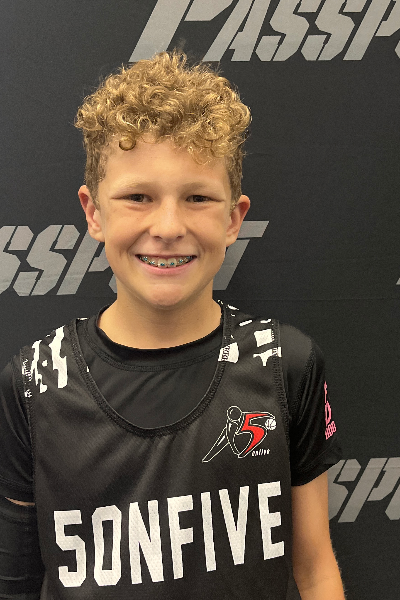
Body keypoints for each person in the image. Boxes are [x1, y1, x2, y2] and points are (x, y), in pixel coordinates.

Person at [0, 50, 345, 599]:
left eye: (198, 198)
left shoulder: (285, 365)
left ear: (233, 218)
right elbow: (15, 581)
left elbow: (314, 566)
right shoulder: (32, 383)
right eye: (138, 197)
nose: (167, 227)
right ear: (93, 212)